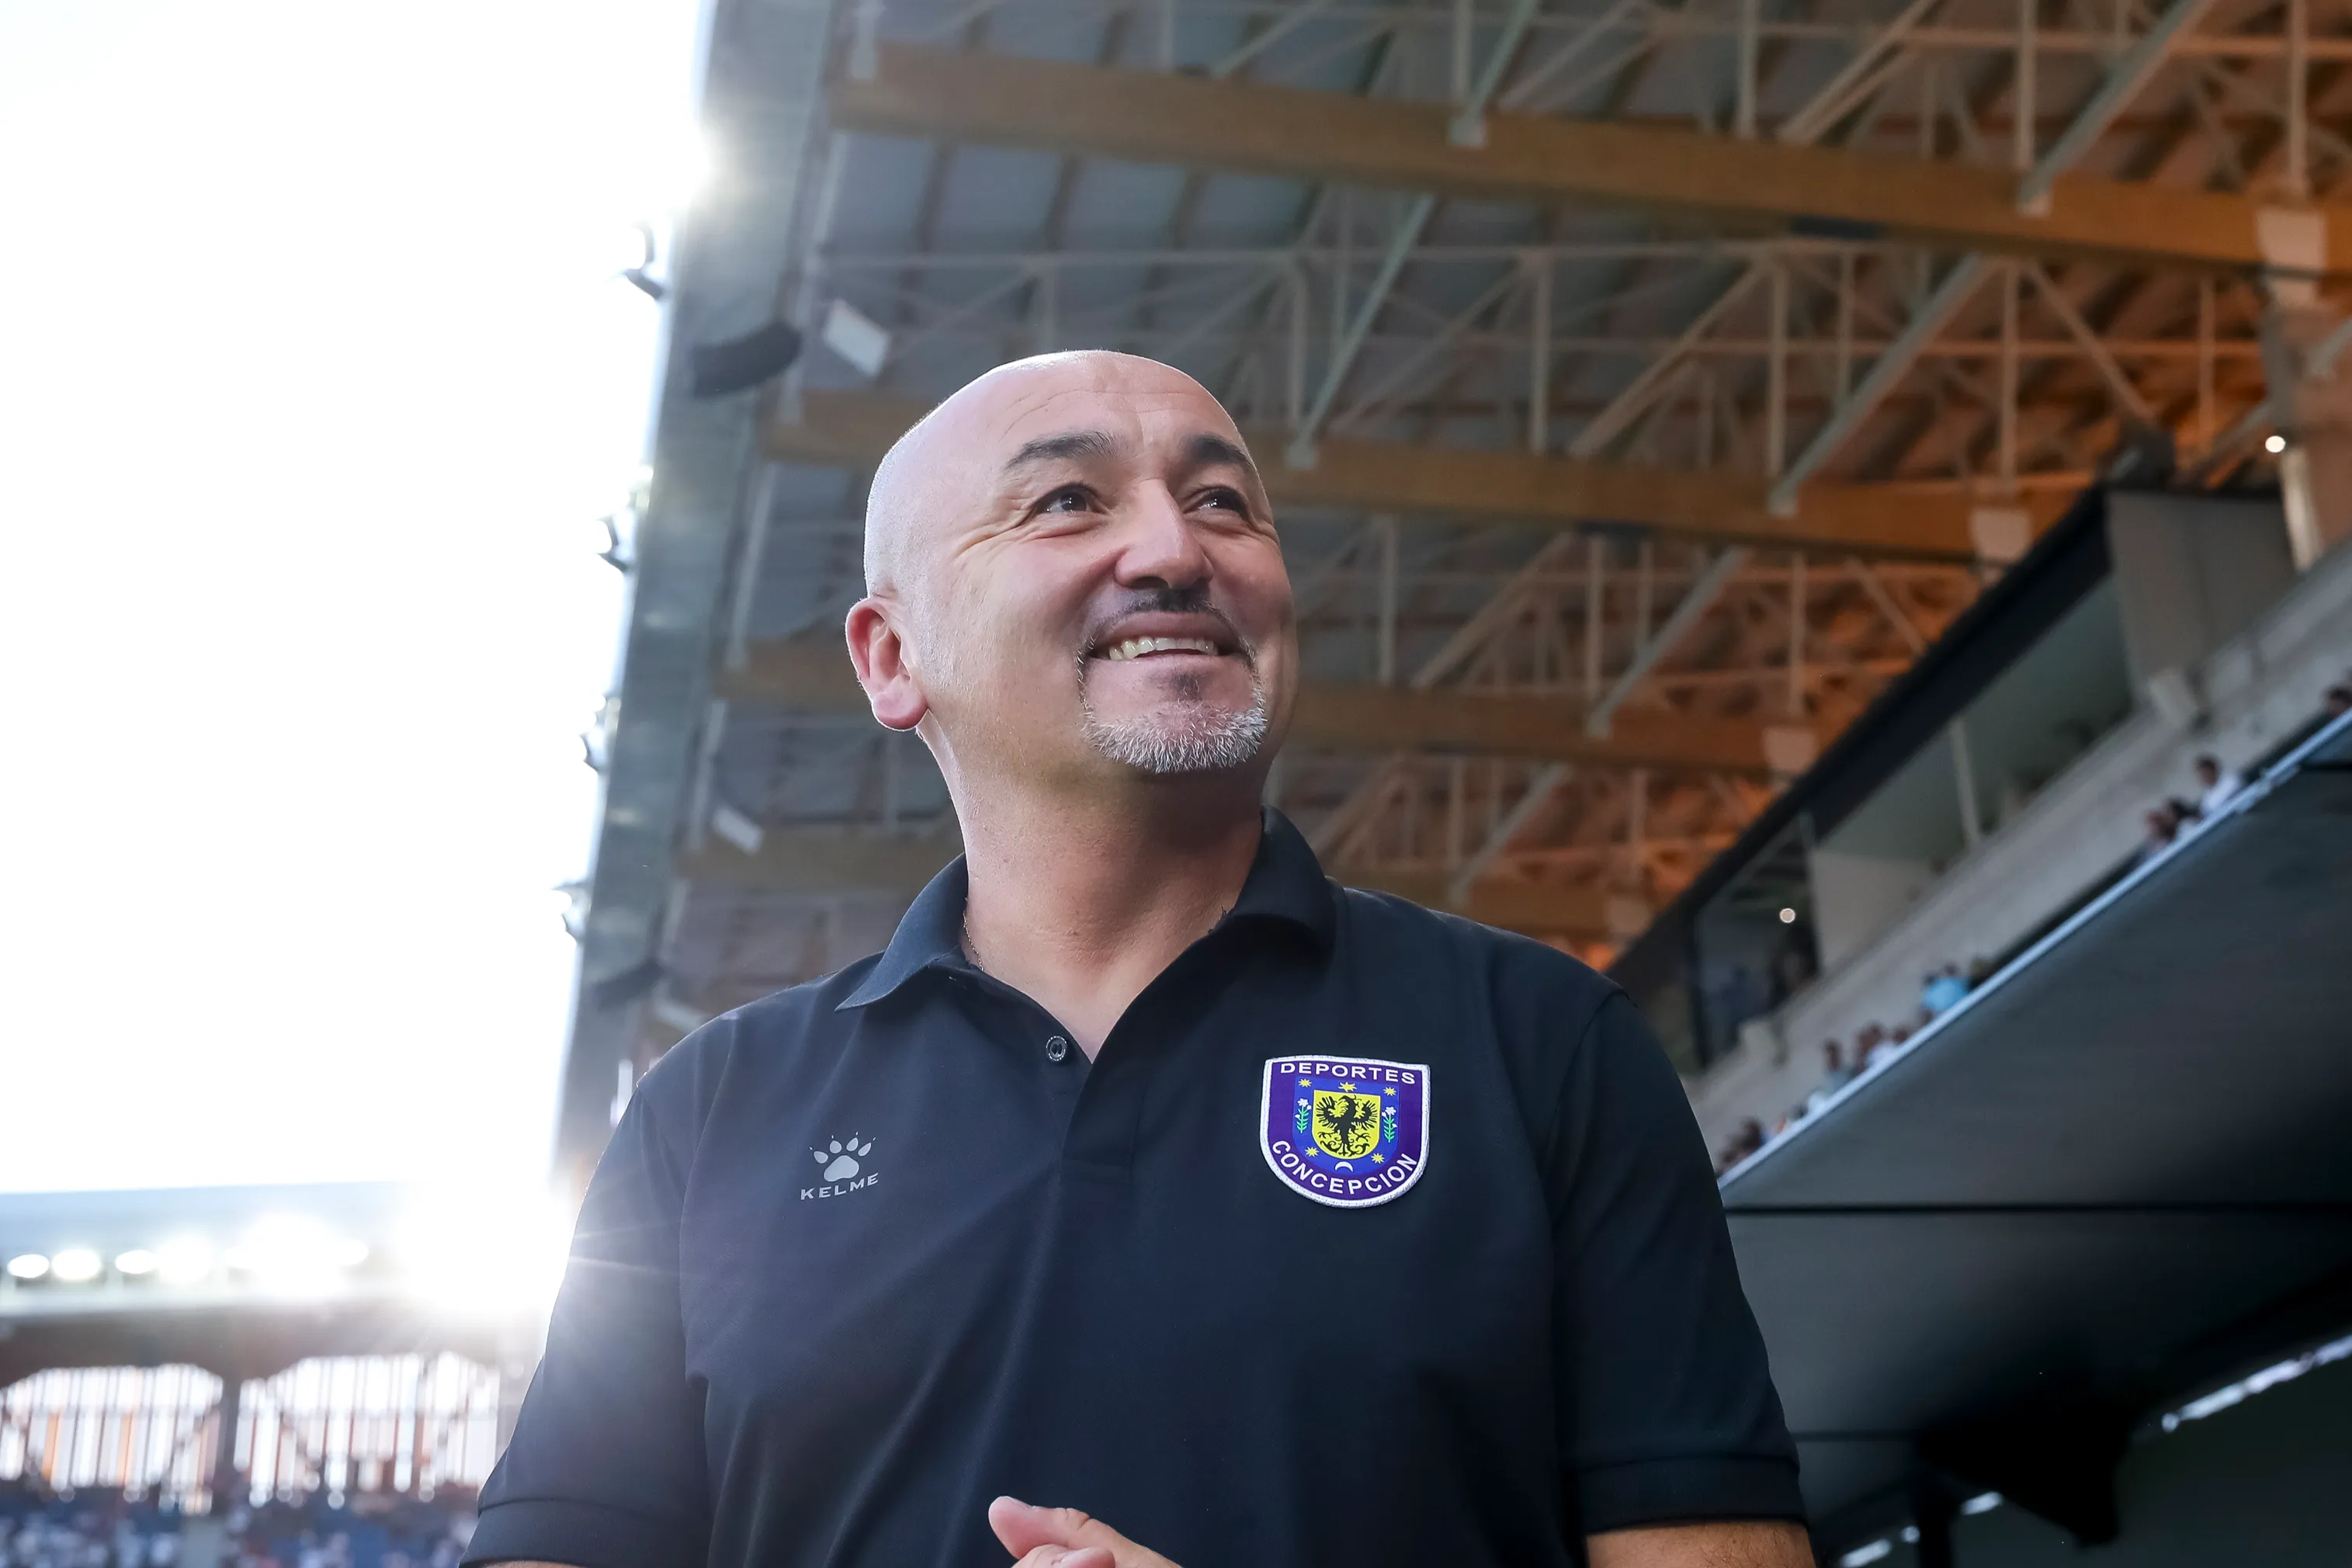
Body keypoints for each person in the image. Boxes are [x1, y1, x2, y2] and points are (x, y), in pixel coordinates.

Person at [465, 352, 1809, 1568]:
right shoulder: (712, 1115)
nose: (1175, 549)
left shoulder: (1541, 1043)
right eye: (1067, 503)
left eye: (1224, 503)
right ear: (892, 658)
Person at [2192, 754, 2242, 820]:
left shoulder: (2230, 781)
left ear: (2213, 769)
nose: (2205, 776)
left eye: (2206, 772)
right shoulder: (2206, 799)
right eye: (2202, 775)